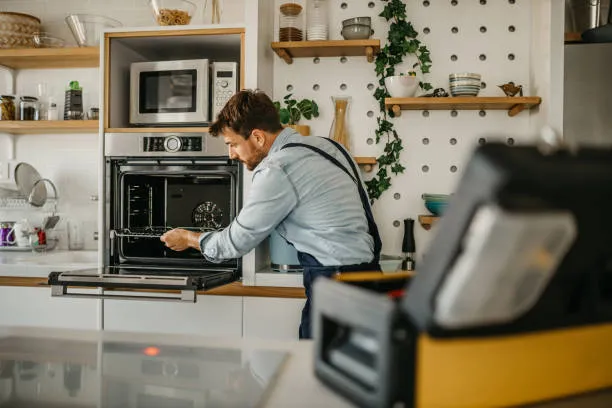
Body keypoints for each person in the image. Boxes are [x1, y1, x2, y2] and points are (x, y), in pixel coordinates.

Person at [160, 89, 381, 339]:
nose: (231, 154)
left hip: (337, 288)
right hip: (371, 281)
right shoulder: (331, 147)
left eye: (232, 144)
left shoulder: (278, 168)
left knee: (315, 373)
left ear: (257, 137)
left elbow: (235, 242)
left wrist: (188, 238)